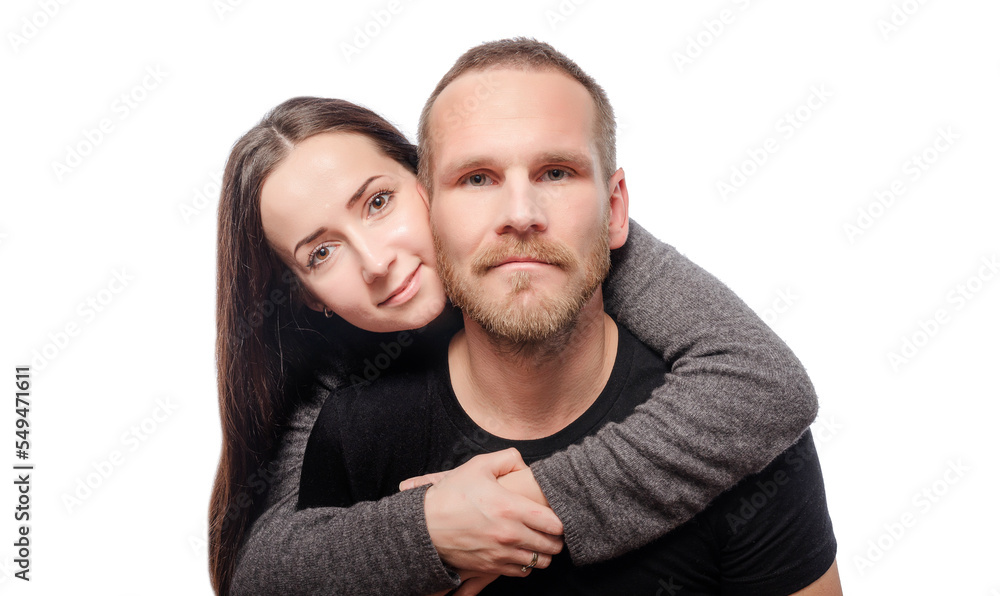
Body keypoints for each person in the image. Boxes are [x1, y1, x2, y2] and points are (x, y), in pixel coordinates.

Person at [210, 51, 821, 596]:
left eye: (377, 202)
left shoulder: (581, 247)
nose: (376, 262)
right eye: (321, 252)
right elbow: (263, 570)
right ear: (307, 295)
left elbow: (765, 383)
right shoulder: (338, 392)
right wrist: (430, 528)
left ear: (424, 182)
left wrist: (518, 506)